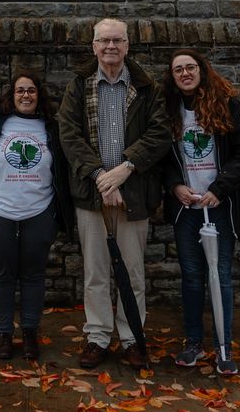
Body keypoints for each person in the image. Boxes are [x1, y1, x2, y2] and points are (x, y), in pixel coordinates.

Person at [57, 18, 170, 370]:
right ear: (93, 46)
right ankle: (98, 337)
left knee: (132, 273)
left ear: (127, 45)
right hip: (91, 193)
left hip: (134, 192)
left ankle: (133, 337)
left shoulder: (146, 87)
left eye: (117, 40)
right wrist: (101, 178)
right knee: (96, 272)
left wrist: (125, 170)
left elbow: (160, 134)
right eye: (104, 40)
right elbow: (69, 136)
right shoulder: (79, 86)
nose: (110, 46)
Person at [0, 71, 74, 361]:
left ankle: (31, 333)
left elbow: (64, 167)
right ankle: (5, 334)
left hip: (40, 211)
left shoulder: (52, 128)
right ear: (11, 96)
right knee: (2, 274)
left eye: (31, 90)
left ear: (39, 95)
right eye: (20, 90)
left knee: (34, 274)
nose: (26, 95)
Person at [161, 49, 240, 376]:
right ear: (172, 77)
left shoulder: (228, 105)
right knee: (191, 276)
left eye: (190, 67)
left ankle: (223, 347)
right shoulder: (167, 111)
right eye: (178, 70)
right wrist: (175, 186)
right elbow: (161, 158)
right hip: (186, 209)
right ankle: (193, 343)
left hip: (218, 206)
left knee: (220, 275)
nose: (185, 74)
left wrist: (219, 189)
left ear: (201, 70)